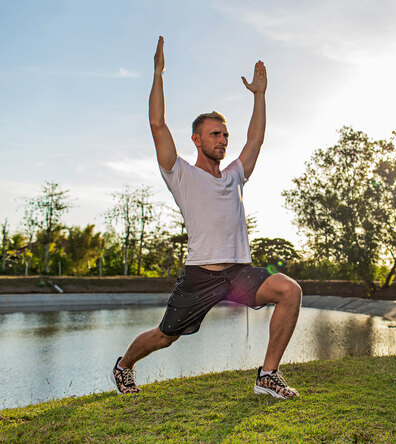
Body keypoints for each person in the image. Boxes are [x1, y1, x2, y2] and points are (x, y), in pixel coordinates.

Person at [112, 36, 302, 400]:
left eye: (225, 135)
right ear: (197, 139)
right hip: (201, 276)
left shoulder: (233, 175)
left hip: (238, 273)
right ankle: (124, 366)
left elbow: (257, 139)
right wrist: (158, 73)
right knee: (164, 337)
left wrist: (259, 96)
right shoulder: (180, 173)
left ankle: (268, 374)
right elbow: (156, 124)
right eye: (215, 134)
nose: (223, 140)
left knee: (289, 291)